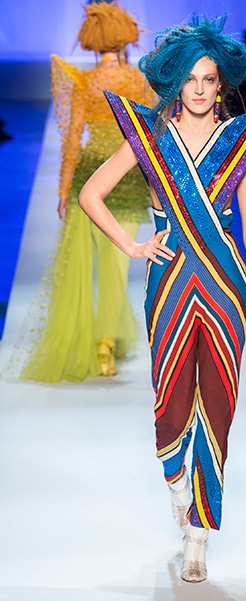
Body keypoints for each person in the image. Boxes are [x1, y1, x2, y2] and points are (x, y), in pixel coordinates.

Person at [78, 14, 246, 582]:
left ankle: (199, 534)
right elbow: (91, 194)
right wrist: (133, 245)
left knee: (218, 405)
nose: (199, 89)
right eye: (190, 79)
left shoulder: (241, 143)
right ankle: (176, 478)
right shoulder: (150, 136)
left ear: (222, 84)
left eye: (209, 79)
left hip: (225, 287)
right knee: (171, 402)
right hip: (169, 283)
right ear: (176, 81)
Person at [18, 1, 154, 382]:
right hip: (128, 178)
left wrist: (64, 189)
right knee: (117, 266)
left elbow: (72, 141)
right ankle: (106, 344)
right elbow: (152, 137)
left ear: (93, 41)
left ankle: (98, 340)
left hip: (90, 177)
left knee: (85, 267)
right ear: (124, 39)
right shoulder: (139, 82)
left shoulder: (86, 83)